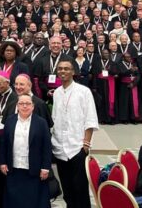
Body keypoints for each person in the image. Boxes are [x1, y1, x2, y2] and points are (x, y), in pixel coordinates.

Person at [52, 59, 98, 208]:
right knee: (67, 189)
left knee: (80, 189)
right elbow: (55, 119)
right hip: (60, 148)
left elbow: (90, 118)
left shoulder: (83, 91)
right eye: (60, 69)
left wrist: (85, 144)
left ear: (73, 72)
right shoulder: (57, 93)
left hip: (77, 147)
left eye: (66, 68)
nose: (63, 71)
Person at [0, 94, 52, 208]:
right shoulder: (10, 121)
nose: (24, 106)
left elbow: (47, 146)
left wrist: (45, 167)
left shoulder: (41, 122)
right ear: (17, 106)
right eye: (21, 103)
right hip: (14, 167)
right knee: (14, 199)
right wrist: (2, 162)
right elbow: (4, 143)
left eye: (28, 104)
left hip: (34, 169)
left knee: (32, 200)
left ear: (33, 106)